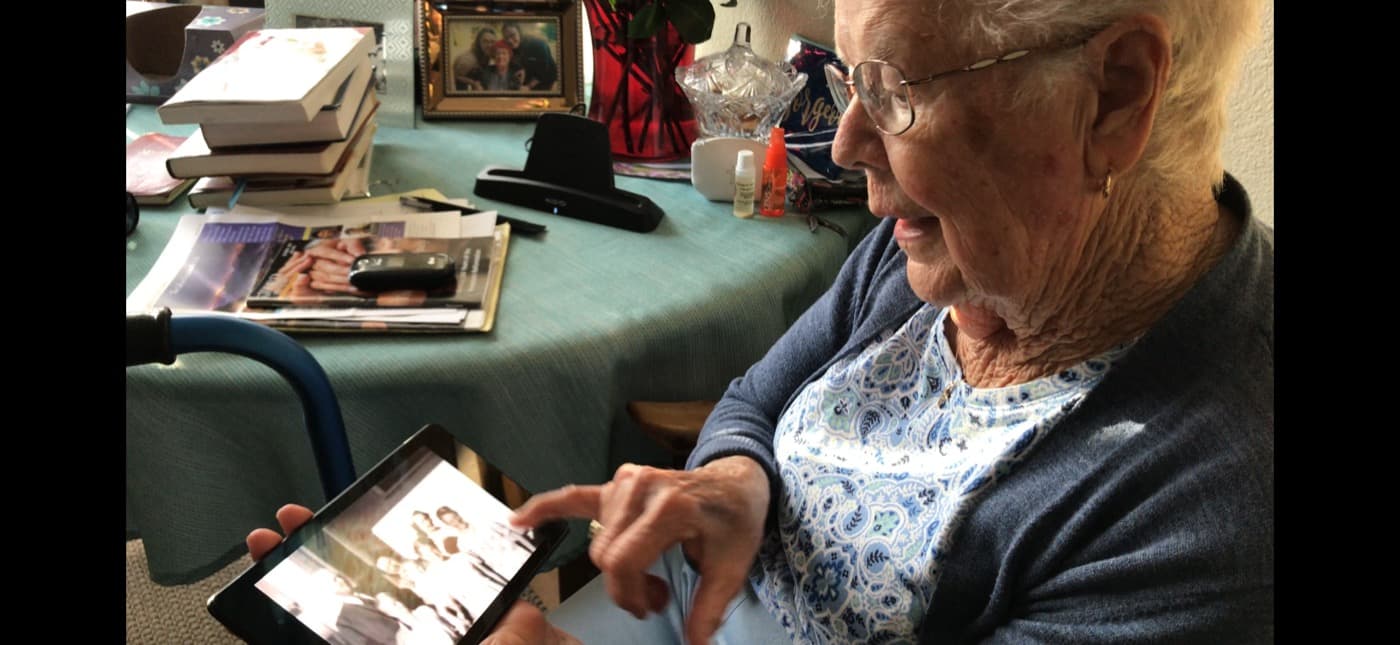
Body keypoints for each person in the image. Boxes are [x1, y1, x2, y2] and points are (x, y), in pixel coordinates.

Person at [250, 0, 1273, 641]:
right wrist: (736, 480)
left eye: (895, 88)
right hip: (687, 600)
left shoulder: (1211, 510)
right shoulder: (938, 243)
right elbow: (752, 399)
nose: (848, 142)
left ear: (1114, 94)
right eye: (844, 80)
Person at [502, 22, 558, 92]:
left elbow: (543, 71)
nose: (509, 40)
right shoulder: (513, 49)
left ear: (519, 33)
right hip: (531, 82)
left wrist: (528, 87)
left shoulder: (537, 45)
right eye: (506, 38)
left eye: (512, 35)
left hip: (549, 83)